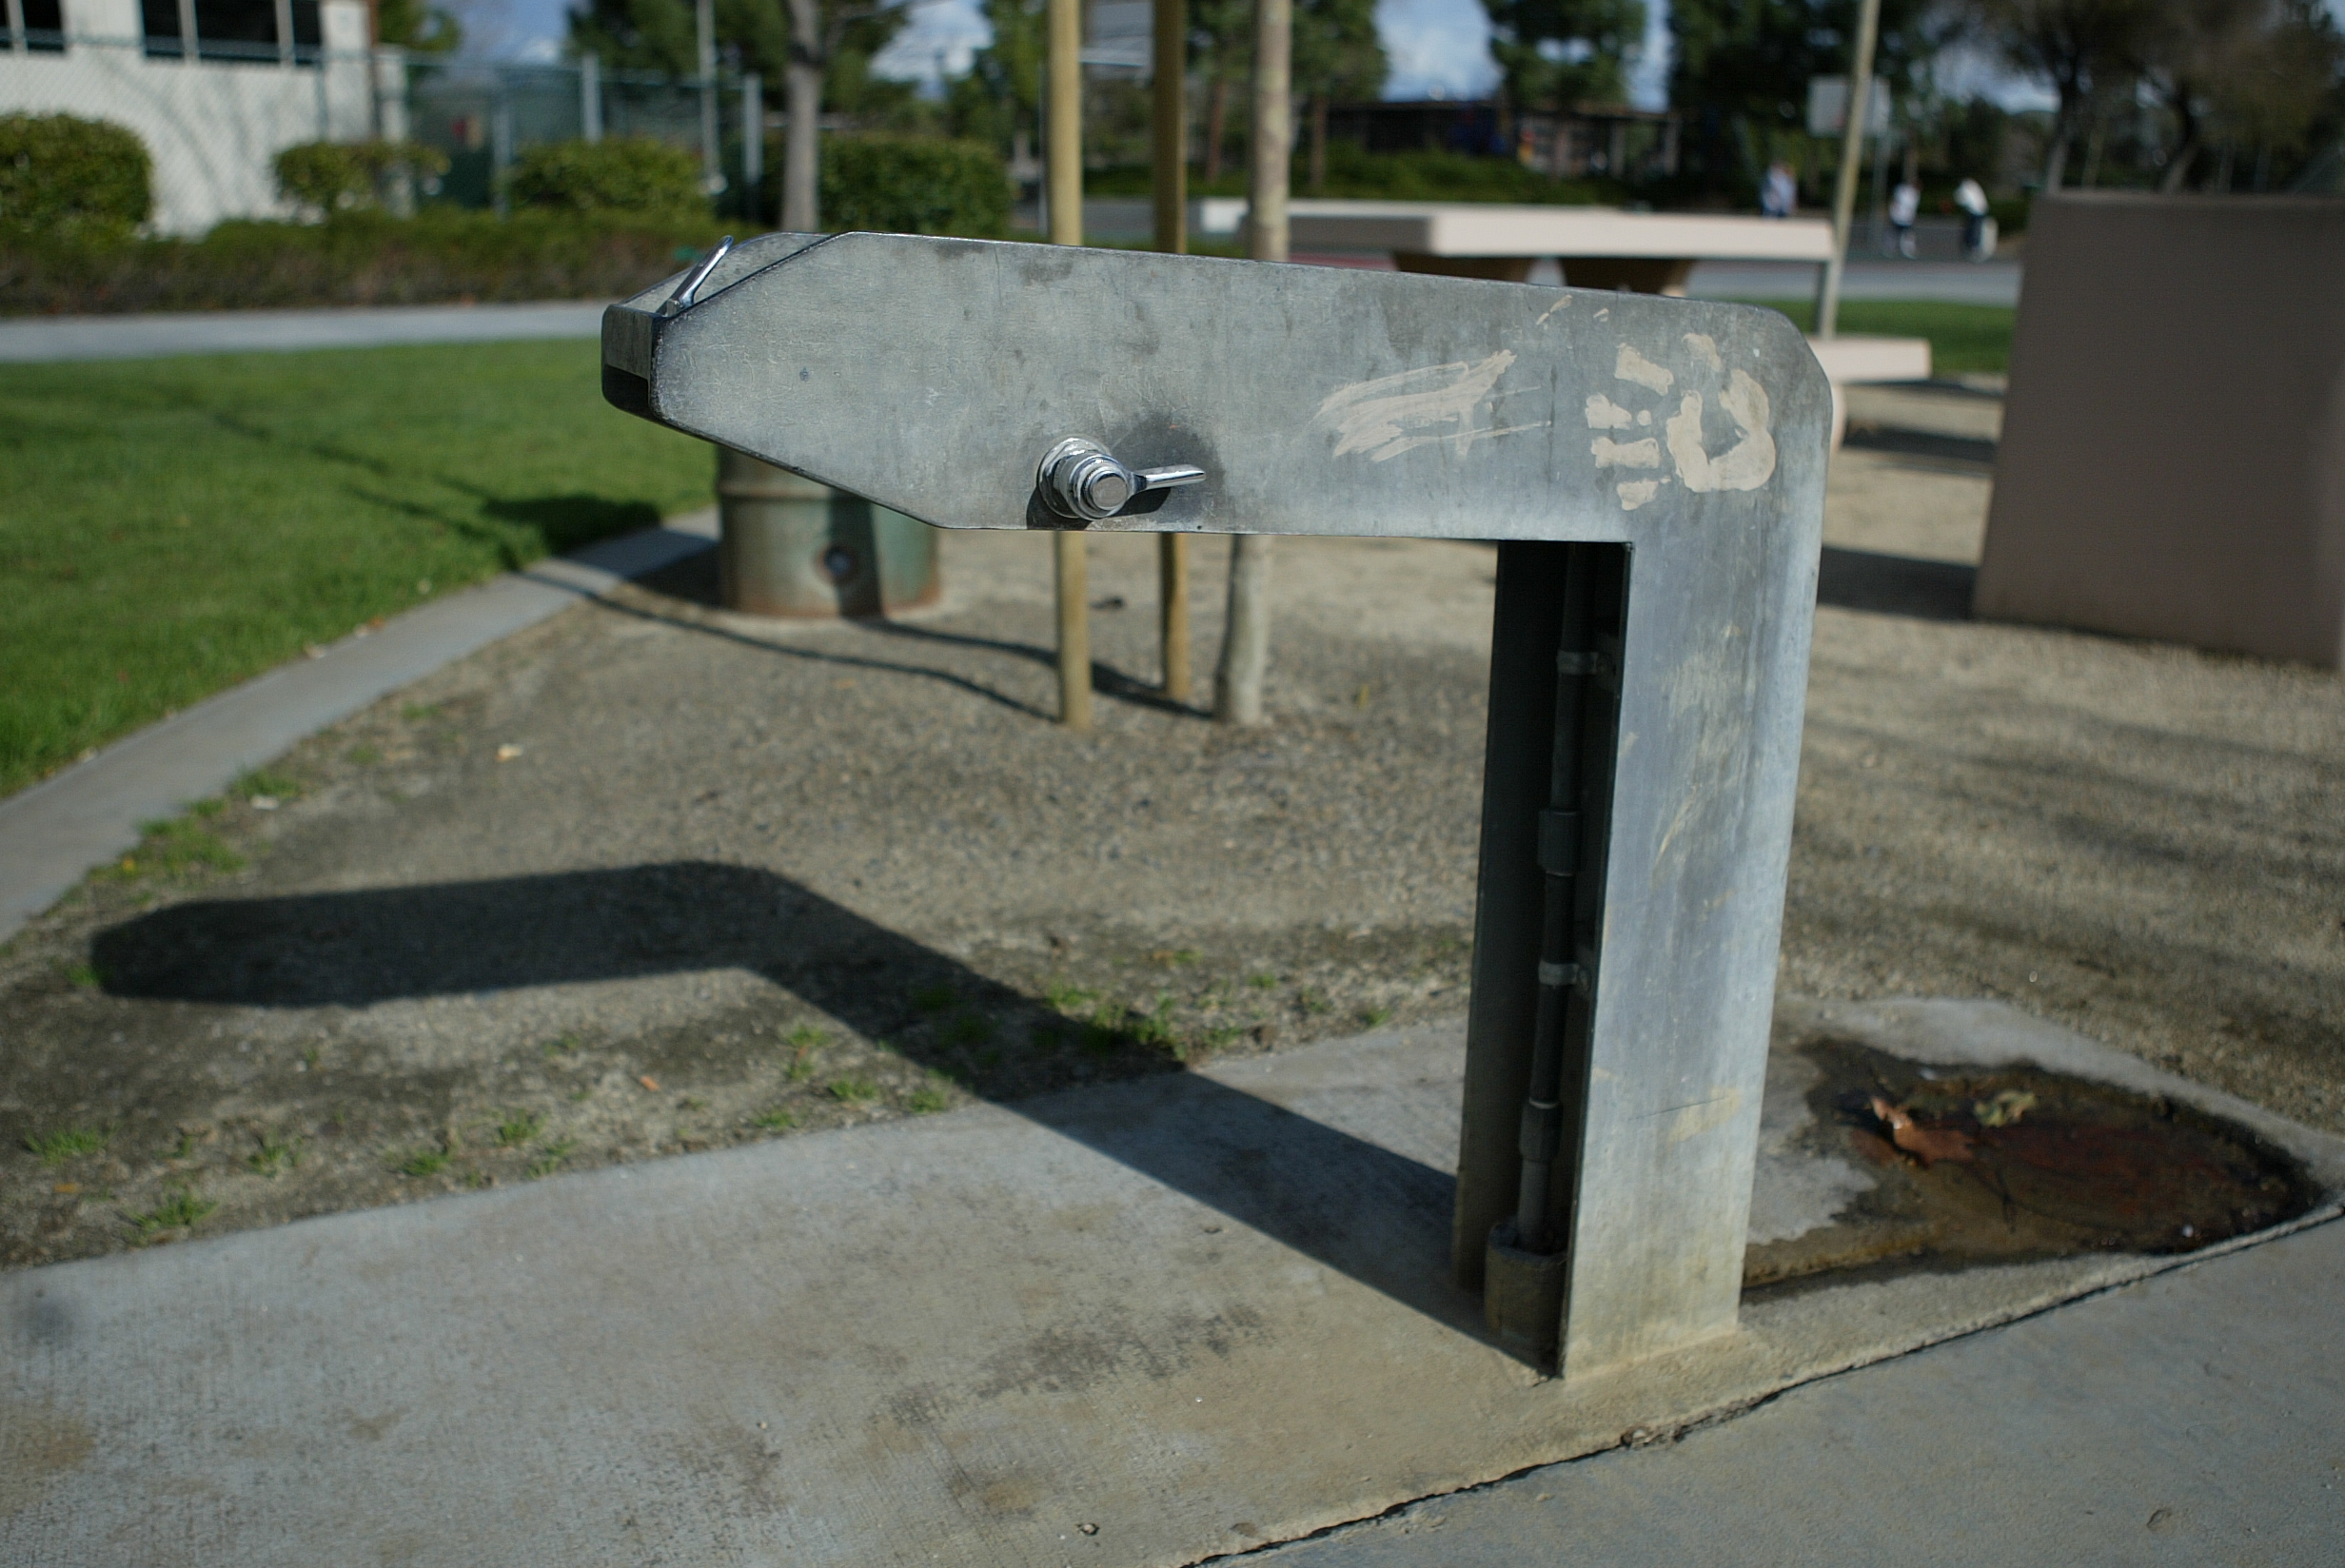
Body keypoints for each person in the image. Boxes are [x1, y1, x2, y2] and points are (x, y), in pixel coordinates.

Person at [1955, 177, 1993, 262]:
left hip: (1975, 211)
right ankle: (1973, 245)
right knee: (1976, 228)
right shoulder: (1973, 185)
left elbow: (1962, 199)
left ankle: (1971, 245)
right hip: (1981, 210)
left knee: (1973, 229)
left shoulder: (1966, 187)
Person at [1887, 177, 1921, 258]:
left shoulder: (1915, 194)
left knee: (1908, 234)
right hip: (1899, 216)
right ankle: (1890, 249)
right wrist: (1893, 213)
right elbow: (1899, 203)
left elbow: (1912, 207)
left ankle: (1908, 250)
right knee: (1895, 233)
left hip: (1906, 218)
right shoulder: (1904, 192)